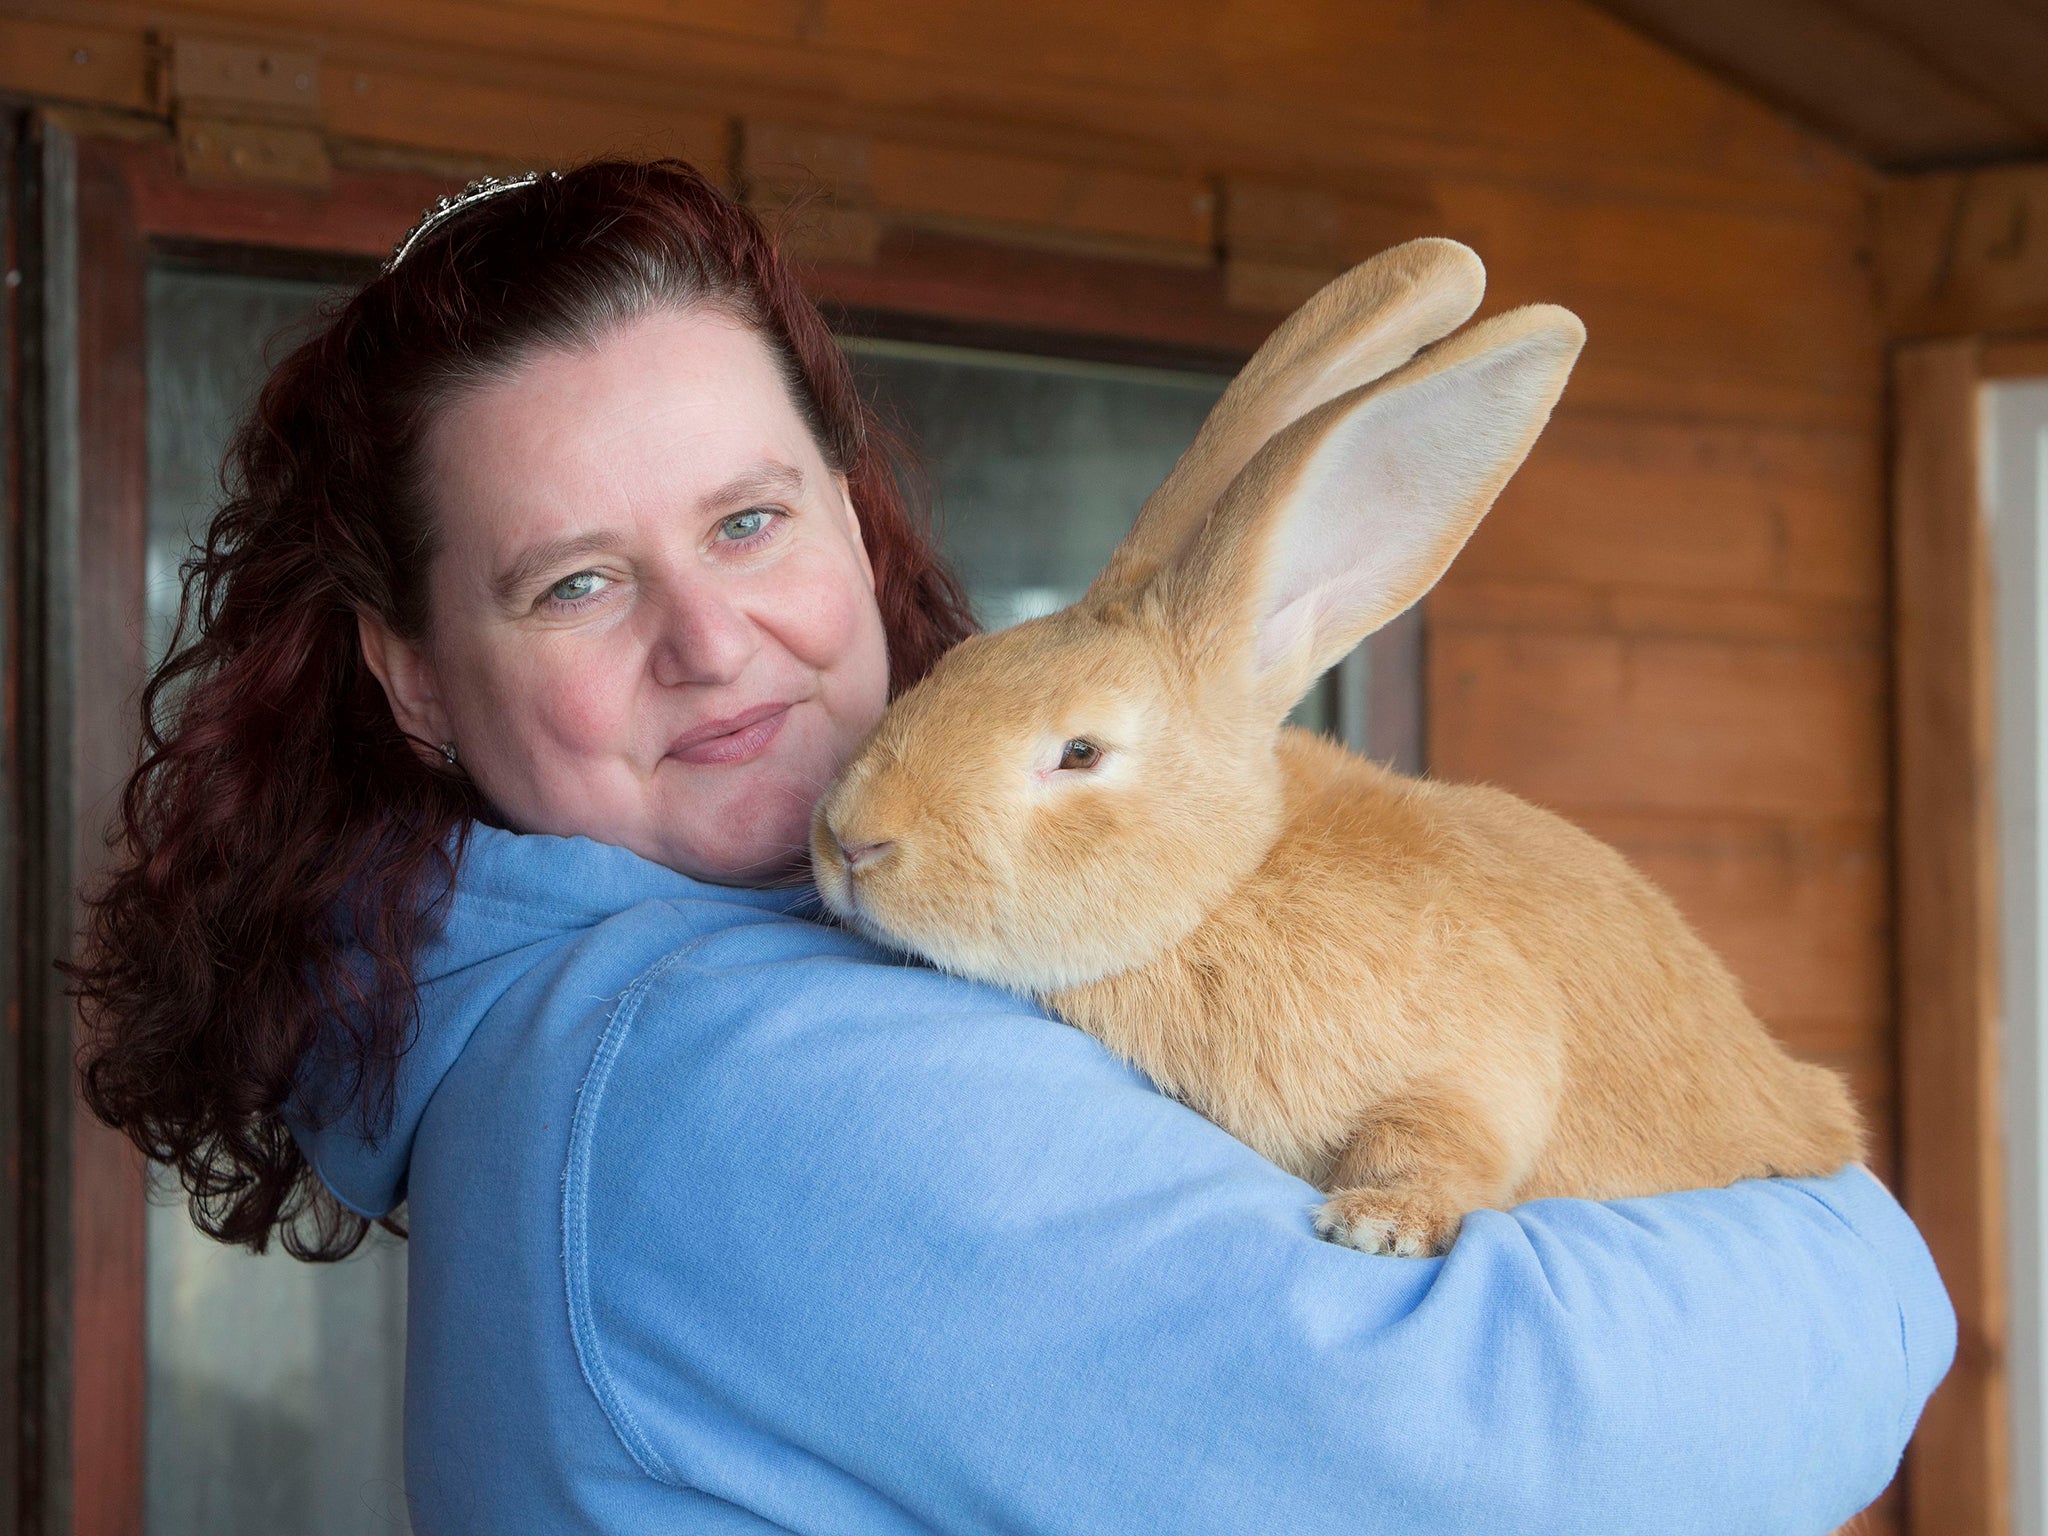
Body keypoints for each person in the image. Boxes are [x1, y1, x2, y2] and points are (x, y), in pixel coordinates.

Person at [71, 159, 1952, 1534]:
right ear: (413, 684)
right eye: (574, 581)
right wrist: (1867, 1260)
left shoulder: (555, 1019)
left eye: (747, 522)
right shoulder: (727, 1074)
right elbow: (1505, 1452)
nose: (712, 642)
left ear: (847, 510)